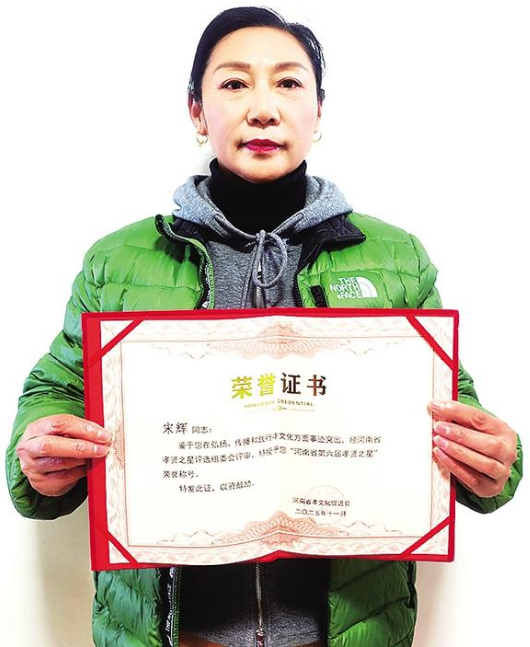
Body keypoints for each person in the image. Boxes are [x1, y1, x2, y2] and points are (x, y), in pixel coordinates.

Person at [5, 6, 522, 647]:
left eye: (288, 82)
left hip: (348, 629)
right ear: (197, 112)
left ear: (319, 111)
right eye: (234, 83)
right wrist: (39, 449)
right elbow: (57, 389)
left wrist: (494, 460)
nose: (263, 108)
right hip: (173, 633)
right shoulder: (119, 261)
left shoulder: (394, 257)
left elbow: (451, 403)